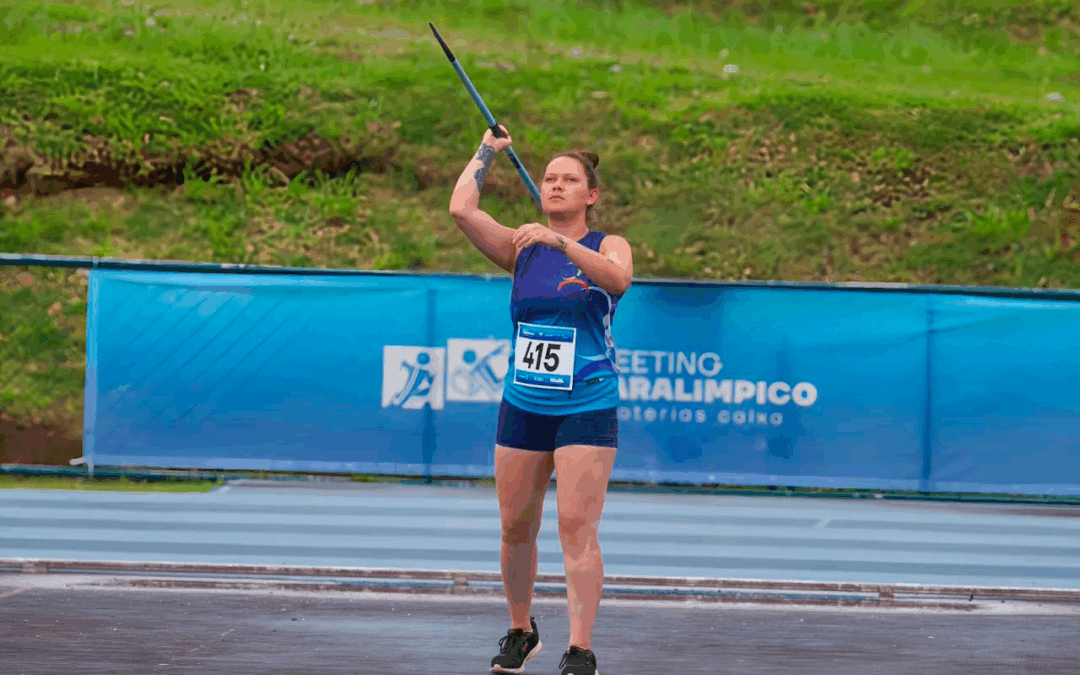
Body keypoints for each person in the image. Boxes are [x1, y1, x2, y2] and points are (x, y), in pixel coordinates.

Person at [449, 125, 633, 675]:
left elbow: (618, 281)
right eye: (549, 178)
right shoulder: (520, 247)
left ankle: (580, 647)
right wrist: (487, 151)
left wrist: (561, 243)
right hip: (524, 404)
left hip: (586, 404)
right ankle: (519, 630)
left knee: (575, 527)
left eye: (569, 180)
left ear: (590, 194)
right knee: (515, 527)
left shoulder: (606, 244)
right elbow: (461, 209)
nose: (555, 185)